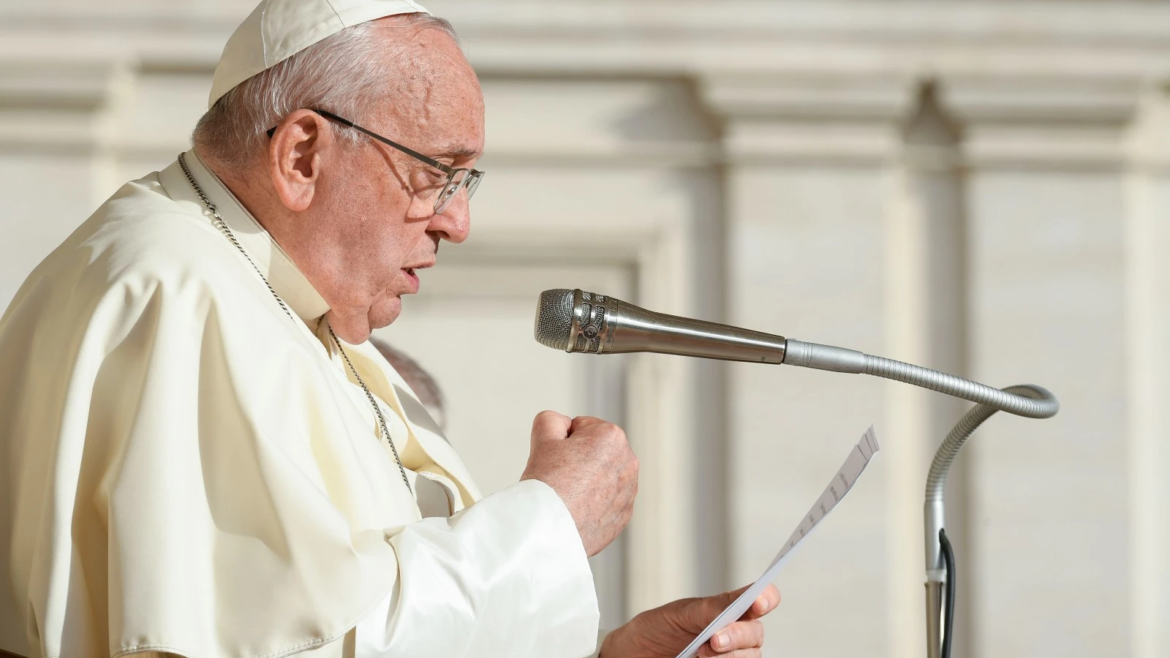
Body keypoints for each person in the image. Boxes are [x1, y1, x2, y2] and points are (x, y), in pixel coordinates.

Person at [0, 1, 778, 657]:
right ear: (302, 155)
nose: (459, 221)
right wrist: (549, 525)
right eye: (436, 172)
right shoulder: (175, 291)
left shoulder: (272, 294)